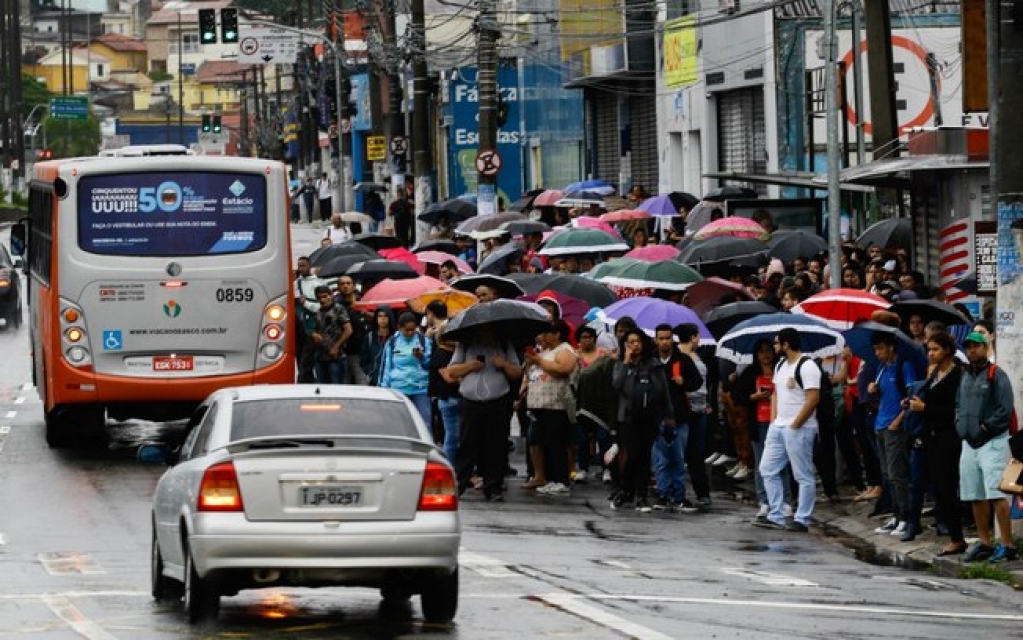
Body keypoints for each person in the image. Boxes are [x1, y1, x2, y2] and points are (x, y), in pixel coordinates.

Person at [955, 331, 1018, 563]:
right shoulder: (965, 375)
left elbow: (1005, 408)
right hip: (968, 443)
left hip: (992, 442)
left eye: (976, 346)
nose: (972, 350)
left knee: (997, 494)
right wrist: (960, 425)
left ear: (985, 348)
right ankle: (985, 542)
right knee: (974, 494)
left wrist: (985, 429)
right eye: (969, 347)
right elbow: (958, 404)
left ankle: (1008, 544)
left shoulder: (996, 375)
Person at [442, 325, 522, 501]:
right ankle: (459, 484)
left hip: (498, 401)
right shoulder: (465, 344)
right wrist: (469, 366)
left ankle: (493, 487)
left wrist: (504, 364)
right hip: (470, 402)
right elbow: (452, 372)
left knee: (496, 445)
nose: (485, 333)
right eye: (482, 330)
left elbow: (517, 373)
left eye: (489, 330)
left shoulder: (503, 345)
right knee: (467, 444)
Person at [753, 328, 820, 533]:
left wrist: (796, 424)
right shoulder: (781, 365)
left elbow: (813, 398)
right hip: (778, 426)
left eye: (776, 343)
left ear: (786, 345)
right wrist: (774, 420)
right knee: (767, 469)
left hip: (799, 428)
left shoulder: (807, 366)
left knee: (803, 475)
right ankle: (776, 515)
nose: (774, 347)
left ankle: (802, 518)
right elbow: (776, 394)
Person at [906, 331, 965, 551]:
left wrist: (926, 408)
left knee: (948, 486)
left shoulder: (957, 375)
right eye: (929, 349)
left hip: (948, 438)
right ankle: (953, 534)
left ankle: (956, 537)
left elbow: (953, 410)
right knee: (938, 487)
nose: (931, 353)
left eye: (935, 349)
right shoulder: (936, 373)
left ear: (947, 350)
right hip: (931, 437)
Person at [610, 328, 674, 512]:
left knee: (644, 456)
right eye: (630, 342)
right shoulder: (621, 365)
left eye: (638, 342)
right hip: (628, 417)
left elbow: (664, 392)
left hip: (649, 417)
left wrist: (669, 416)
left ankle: (641, 496)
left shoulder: (653, 365)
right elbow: (616, 385)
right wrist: (626, 363)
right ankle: (626, 489)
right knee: (633, 454)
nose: (635, 346)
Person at [867, 331, 918, 538]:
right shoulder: (881, 368)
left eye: (880, 348)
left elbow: (911, 397)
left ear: (890, 347)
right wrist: (874, 390)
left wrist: (898, 421)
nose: (878, 353)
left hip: (895, 428)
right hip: (880, 424)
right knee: (887, 475)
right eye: (875, 349)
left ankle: (905, 517)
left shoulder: (903, 367)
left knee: (898, 475)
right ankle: (896, 515)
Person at [521, 320, 579, 495]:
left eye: (546, 333)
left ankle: (561, 480)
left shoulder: (565, 350)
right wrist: (531, 362)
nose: (543, 337)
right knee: (539, 441)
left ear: (557, 334)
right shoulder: (545, 352)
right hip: (538, 404)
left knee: (557, 443)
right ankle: (544, 476)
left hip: (556, 405)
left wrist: (538, 360)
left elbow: (563, 369)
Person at [737, 338, 792, 519]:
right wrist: (755, 397)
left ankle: (784, 501)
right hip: (759, 423)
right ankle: (764, 502)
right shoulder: (751, 373)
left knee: (782, 464)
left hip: (780, 422)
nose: (766, 355)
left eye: (769, 350)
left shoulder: (783, 370)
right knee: (762, 464)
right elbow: (739, 396)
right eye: (761, 351)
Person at [652, 323, 702, 512]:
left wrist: (684, 382)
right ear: (656, 340)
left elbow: (697, 382)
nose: (664, 342)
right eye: (661, 338)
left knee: (678, 458)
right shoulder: (652, 361)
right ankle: (663, 494)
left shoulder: (682, 360)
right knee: (661, 459)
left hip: (679, 416)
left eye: (667, 338)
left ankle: (679, 495)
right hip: (657, 417)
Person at [378, 311, 433, 426]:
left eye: (413, 329)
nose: (410, 333)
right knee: (399, 425)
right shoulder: (392, 343)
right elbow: (386, 368)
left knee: (425, 424)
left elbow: (430, 366)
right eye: (407, 330)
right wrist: (383, 390)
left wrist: (422, 357)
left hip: (420, 389)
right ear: (399, 327)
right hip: (398, 390)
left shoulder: (424, 341)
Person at [425, 301, 461, 463]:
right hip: (448, 396)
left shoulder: (452, 353)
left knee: (453, 436)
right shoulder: (441, 354)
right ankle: (450, 466)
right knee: (452, 436)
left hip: (450, 396)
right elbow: (448, 377)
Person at [310, 285, 352, 384]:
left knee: (336, 387)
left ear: (331, 295)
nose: (322, 300)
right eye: (319, 298)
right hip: (320, 355)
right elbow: (313, 328)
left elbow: (348, 330)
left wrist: (336, 346)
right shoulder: (318, 312)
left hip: (336, 356)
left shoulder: (338, 309)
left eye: (325, 296)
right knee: (322, 386)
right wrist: (314, 334)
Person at [294, 256, 325, 383]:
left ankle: (303, 382)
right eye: (299, 266)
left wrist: (305, 303)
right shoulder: (296, 283)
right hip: (298, 325)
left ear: (309, 266)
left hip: (312, 326)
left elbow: (320, 306)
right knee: (299, 356)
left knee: (306, 360)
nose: (301, 268)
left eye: (303, 266)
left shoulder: (319, 283)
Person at [335, 275, 369, 385]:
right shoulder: (335, 304)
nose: (345, 286)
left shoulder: (363, 299)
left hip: (360, 349)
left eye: (348, 283)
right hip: (342, 351)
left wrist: (359, 309)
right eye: (342, 284)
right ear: (338, 287)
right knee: (343, 384)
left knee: (362, 382)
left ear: (354, 286)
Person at [361, 306, 396, 385]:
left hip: (392, 380)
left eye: (385, 316)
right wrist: (370, 372)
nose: (382, 319)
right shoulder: (370, 337)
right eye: (380, 316)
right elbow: (364, 359)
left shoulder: (395, 337)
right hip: (374, 380)